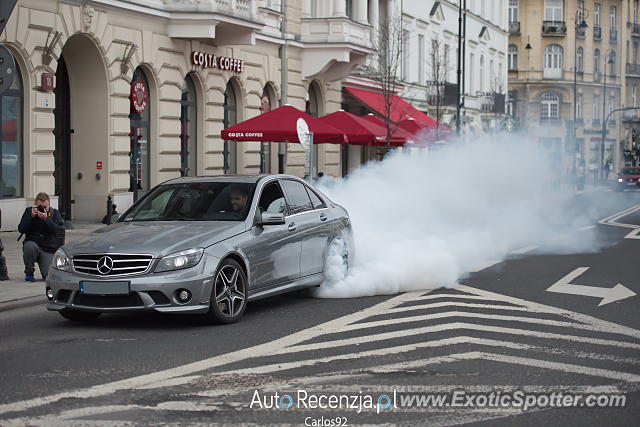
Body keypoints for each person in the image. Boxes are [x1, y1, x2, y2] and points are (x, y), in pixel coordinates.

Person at [18, 192, 64, 282]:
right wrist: (31, 217)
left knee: (48, 276)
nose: (43, 210)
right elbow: (21, 229)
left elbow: (57, 231)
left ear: (49, 205)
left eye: (45, 207)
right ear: (35, 205)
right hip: (33, 245)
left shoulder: (54, 213)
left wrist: (46, 219)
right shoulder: (29, 211)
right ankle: (29, 273)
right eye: (40, 207)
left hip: (47, 249)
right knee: (29, 247)